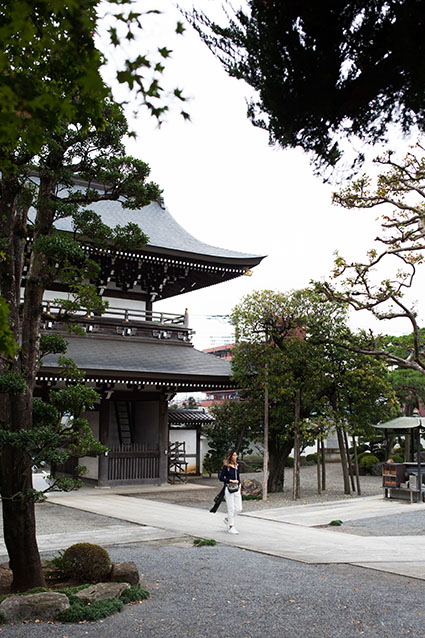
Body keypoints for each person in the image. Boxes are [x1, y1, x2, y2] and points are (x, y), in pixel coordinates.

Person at [219, 449, 242, 534]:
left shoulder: (237, 466)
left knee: (239, 508)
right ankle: (231, 526)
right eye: (234, 455)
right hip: (229, 489)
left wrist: (240, 483)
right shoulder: (226, 466)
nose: (236, 457)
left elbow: (238, 477)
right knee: (231, 508)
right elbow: (221, 478)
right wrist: (231, 481)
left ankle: (227, 519)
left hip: (236, 489)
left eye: (236, 455)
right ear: (230, 456)